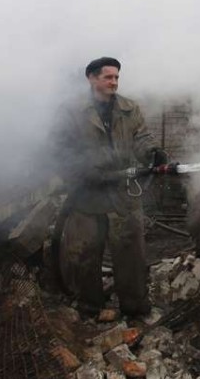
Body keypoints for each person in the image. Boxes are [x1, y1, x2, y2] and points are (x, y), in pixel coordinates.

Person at [53, 56, 169, 317]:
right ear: (92, 78)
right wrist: (80, 174)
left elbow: (142, 137)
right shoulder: (71, 112)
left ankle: (135, 308)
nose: (114, 82)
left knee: (131, 255)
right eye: (108, 77)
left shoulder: (129, 108)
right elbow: (59, 149)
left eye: (116, 77)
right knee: (84, 254)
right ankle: (90, 307)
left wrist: (153, 152)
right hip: (87, 195)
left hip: (123, 193)